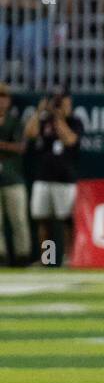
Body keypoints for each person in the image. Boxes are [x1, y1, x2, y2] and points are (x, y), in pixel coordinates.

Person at [25, 90, 81, 266]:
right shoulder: (43, 121)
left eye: (62, 102)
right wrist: (38, 112)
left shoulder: (74, 121)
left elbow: (70, 140)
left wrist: (58, 118)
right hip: (43, 176)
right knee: (43, 220)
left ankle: (68, 259)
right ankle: (46, 259)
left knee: (67, 221)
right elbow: (30, 134)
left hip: (64, 178)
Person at [0, 82, 31, 265]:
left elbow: (20, 147)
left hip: (13, 177)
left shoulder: (16, 122)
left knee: (19, 219)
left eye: (4, 98)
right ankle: (1, 256)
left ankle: (23, 255)